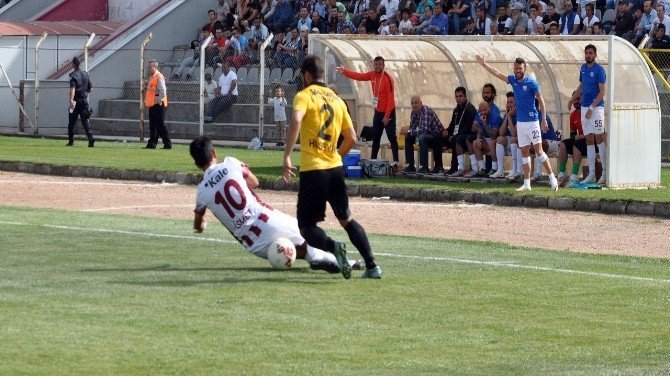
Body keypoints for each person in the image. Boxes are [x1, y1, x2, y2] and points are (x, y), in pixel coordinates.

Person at [283, 55, 382, 279]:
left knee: (306, 227)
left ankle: (334, 247)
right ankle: (372, 266)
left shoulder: (304, 95)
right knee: (346, 219)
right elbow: (352, 137)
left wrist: (287, 155)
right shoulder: (337, 100)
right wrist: (336, 155)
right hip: (335, 169)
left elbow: (297, 120)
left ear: (307, 75)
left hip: (313, 170)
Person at [189, 136, 349, 275]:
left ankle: (322, 259)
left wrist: (201, 226)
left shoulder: (202, 191)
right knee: (307, 232)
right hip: (266, 218)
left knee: (296, 250)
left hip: (252, 243)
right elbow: (255, 182)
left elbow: (198, 222)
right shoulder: (230, 163)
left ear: (197, 163)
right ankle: (338, 260)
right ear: (214, 153)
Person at [476, 55, 559, 191]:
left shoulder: (531, 82)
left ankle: (552, 178)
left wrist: (543, 119)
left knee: (539, 151)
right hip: (521, 124)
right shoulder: (513, 80)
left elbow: (541, 100)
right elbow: (498, 74)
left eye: (520, 68)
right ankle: (527, 183)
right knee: (524, 153)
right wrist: (484, 65)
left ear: (524, 69)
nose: (517, 70)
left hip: (532, 122)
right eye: (516, 68)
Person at [336, 56, 399, 174]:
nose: (378, 66)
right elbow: (359, 76)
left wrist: (386, 116)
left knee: (391, 137)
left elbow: (391, 99)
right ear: (373, 65)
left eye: (380, 64)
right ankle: (373, 161)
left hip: (388, 112)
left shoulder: (388, 79)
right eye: (376, 64)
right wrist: (344, 71)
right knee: (376, 137)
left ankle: (395, 162)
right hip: (378, 111)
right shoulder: (372, 75)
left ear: (383, 66)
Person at [567, 44, 607, 185]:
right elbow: (581, 86)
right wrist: (572, 99)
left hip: (596, 109)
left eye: (590, 53)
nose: (588, 55)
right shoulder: (583, 68)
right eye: (586, 53)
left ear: (595, 55)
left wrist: (592, 107)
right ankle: (591, 174)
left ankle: (604, 173)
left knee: (599, 138)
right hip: (585, 108)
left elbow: (602, 92)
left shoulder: (599, 70)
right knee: (589, 139)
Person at [400, 95, 444, 174]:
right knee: (408, 137)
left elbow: (424, 130)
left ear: (421, 103)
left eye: (416, 103)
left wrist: (410, 131)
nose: (414, 105)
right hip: (427, 135)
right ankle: (411, 165)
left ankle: (425, 167)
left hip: (436, 136)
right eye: (412, 103)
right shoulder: (413, 112)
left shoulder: (426, 110)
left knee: (422, 137)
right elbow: (413, 127)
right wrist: (406, 130)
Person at [66, 56, 95, 148]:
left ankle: (71, 141)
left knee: (71, 122)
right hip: (84, 101)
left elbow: (72, 89)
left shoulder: (72, 75)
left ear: (73, 65)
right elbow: (90, 89)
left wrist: (71, 100)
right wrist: (84, 92)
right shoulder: (86, 74)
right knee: (85, 120)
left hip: (76, 101)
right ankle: (90, 137)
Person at [144, 59, 171, 149]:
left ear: (155, 67)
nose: (148, 68)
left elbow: (163, 90)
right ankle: (152, 143)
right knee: (153, 124)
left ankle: (167, 143)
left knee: (160, 124)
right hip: (153, 103)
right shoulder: (153, 76)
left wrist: (159, 100)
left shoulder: (159, 76)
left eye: (150, 67)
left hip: (159, 103)